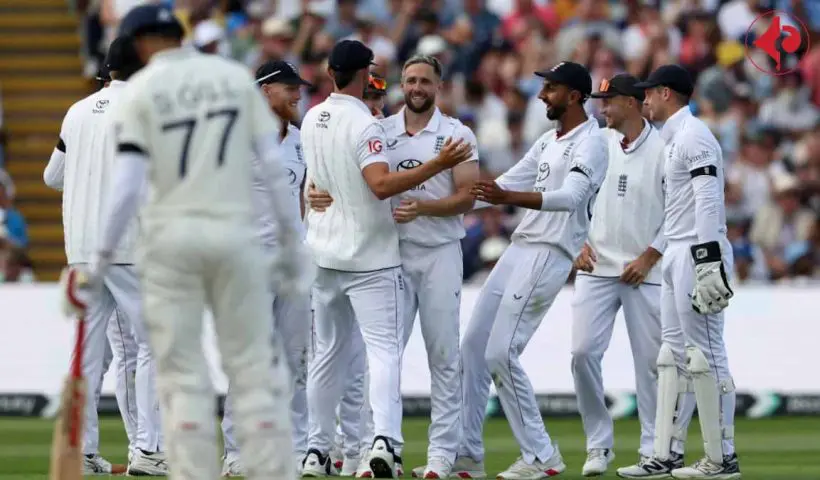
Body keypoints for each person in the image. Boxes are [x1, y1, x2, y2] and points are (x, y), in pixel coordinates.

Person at [59, 5, 313, 480]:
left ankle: (189, 460)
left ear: (140, 45)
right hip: (234, 242)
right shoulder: (232, 81)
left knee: (181, 365)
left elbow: (126, 189)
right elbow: (280, 181)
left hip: (174, 243)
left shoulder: (142, 95)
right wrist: (294, 243)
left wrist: (100, 259)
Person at [299, 39, 471, 479]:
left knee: (441, 356)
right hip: (381, 256)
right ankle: (375, 447)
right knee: (378, 355)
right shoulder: (377, 127)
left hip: (433, 253)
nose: (415, 87)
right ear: (379, 78)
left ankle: (438, 458)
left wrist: (427, 206)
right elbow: (367, 183)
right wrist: (313, 191)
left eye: (424, 81)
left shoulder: (456, 133)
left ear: (439, 86)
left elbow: (468, 197)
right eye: (410, 80)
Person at [461, 61, 609, 480]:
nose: (542, 95)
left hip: (551, 251)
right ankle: (468, 453)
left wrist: (506, 195)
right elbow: (499, 186)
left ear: (575, 95)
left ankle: (542, 456)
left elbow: (570, 197)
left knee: (500, 352)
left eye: (552, 88)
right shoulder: (549, 141)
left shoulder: (592, 144)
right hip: (520, 247)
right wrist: (434, 207)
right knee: (473, 345)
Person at [44, 36, 166, 476]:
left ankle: (83, 452)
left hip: (82, 249)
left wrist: (87, 177)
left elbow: (51, 176)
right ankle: (149, 450)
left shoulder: (76, 112)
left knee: (88, 357)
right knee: (154, 347)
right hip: (133, 247)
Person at [618, 64, 739, 479]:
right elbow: (677, 210)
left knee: (707, 356)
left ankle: (722, 458)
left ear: (666, 93)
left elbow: (708, 202)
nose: (643, 100)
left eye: (647, 93)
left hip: (696, 252)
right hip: (677, 252)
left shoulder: (695, 136)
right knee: (673, 358)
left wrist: (707, 262)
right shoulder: (673, 141)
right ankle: (665, 453)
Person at [220, 59, 313, 478]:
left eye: (298, 87)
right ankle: (237, 451)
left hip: (291, 262)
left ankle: (293, 448)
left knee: (294, 359)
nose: (297, 94)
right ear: (264, 91)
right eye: (289, 87)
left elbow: (301, 196)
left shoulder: (299, 139)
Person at [571, 74, 666, 477]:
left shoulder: (663, 148)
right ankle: (598, 446)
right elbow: (571, 194)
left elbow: (680, 211)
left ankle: (653, 449)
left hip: (646, 271)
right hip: (596, 267)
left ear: (631, 102)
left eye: (608, 102)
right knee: (582, 354)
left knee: (650, 364)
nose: (601, 108)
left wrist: (648, 257)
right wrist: (575, 241)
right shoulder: (598, 143)